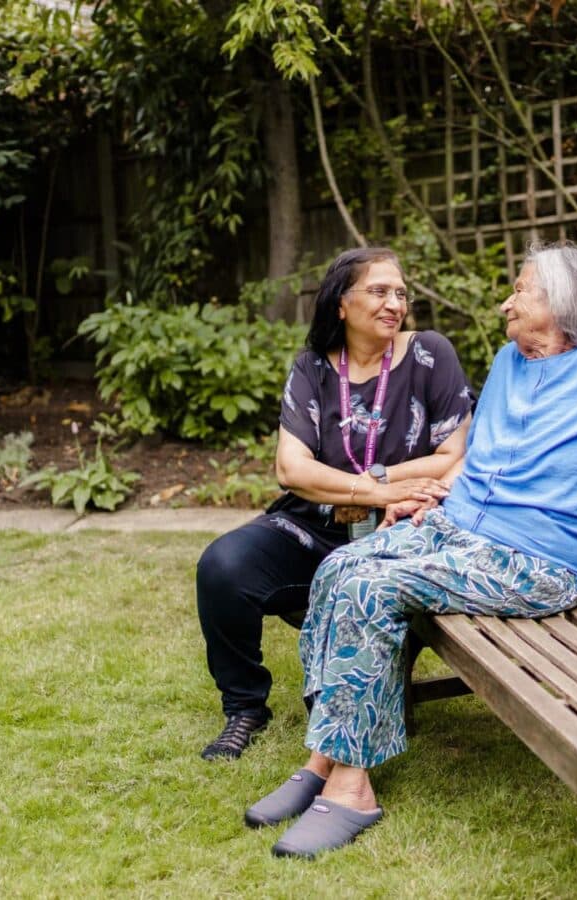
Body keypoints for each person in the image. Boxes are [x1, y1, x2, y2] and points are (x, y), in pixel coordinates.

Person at [242, 241, 577, 856]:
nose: (507, 303)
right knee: (340, 565)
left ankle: (353, 788)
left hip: (539, 561)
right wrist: (435, 495)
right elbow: (483, 461)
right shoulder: (510, 361)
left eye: (521, 291)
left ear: (562, 302)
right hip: (466, 532)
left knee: (371, 587)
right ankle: (324, 759)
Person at [195, 247, 474, 760]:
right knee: (223, 567)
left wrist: (378, 486)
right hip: (316, 526)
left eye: (401, 293)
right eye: (379, 291)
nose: (394, 303)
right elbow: (291, 469)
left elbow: (452, 454)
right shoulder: (312, 370)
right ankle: (245, 708)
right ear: (340, 305)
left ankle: (360, 695)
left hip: (401, 531)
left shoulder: (431, 355)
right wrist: (366, 492)